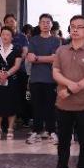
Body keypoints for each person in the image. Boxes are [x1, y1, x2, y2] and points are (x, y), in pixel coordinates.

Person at [47, 16, 84, 168]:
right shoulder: (61, 50)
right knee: (63, 141)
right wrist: (71, 85)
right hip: (63, 104)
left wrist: (70, 90)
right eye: (72, 26)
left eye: (80, 27)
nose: (75, 29)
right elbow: (55, 73)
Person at [27, 13, 62, 144]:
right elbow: (30, 58)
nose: (45, 24)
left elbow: (54, 58)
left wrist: (37, 58)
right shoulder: (34, 40)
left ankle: (51, 131)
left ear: (51, 25)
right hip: (35, 79)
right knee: (36, 107)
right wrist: (43, 58)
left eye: (48, 22)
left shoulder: (56, 40)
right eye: (43, 22)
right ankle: (36, 132)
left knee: (50, 107)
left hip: (50, 78)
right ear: (39, 24)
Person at [0, 25, 23, 140]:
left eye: (8, 34)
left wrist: (7, 74)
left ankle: (10, 128)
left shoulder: (17, 49)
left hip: (12, 80)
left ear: (12, 37)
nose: (5, 36)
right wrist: (0, 74)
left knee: (11, 104)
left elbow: (17, 65)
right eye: (3, 34)